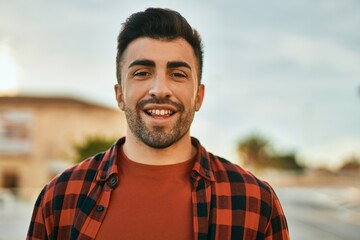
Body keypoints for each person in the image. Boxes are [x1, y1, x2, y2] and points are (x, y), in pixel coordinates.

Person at [27, 8, 290, 240]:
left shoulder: (255, 201)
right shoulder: (60, 196)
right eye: (142, 73)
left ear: (198, 96)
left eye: (177, 74)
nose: (160, 89)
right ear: (120, 95)